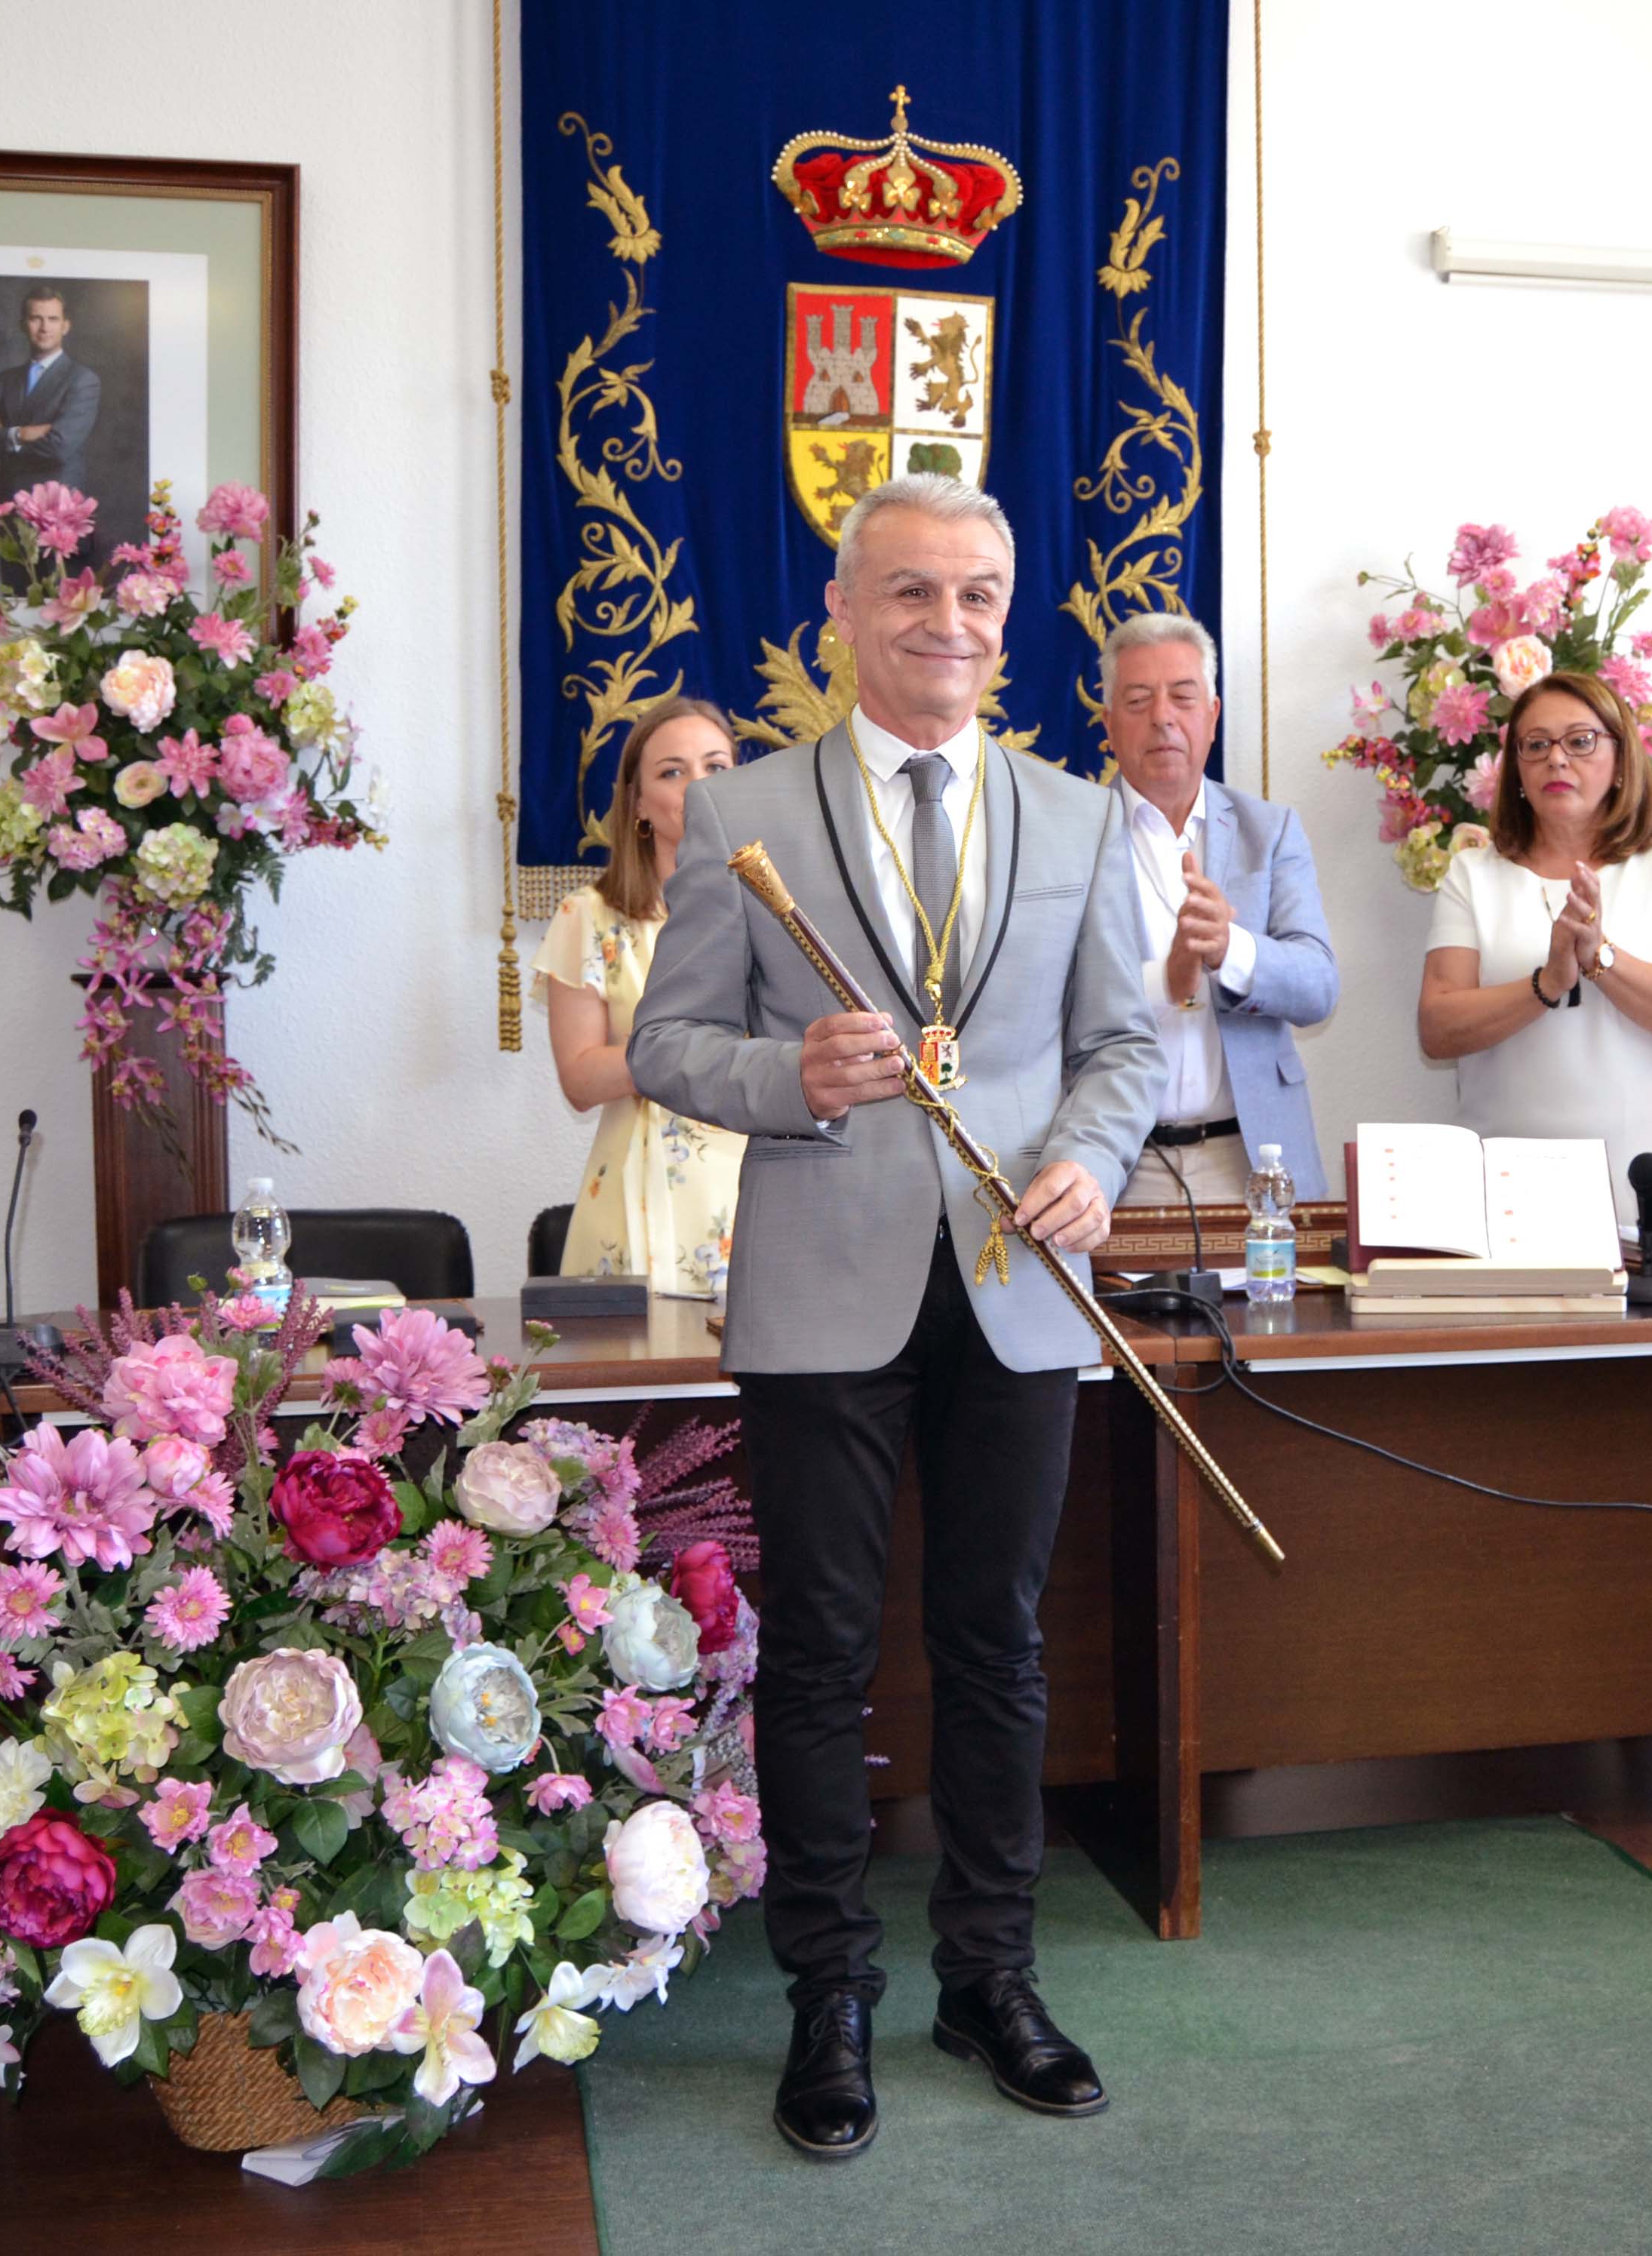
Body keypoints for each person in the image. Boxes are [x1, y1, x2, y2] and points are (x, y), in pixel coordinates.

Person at [628, 474, 1160, 2162]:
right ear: (843, 613)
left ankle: (990, 1978)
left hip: (1017, 1284)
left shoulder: (1080, 818)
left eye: (979, 595)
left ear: (1011, 618)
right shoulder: (740, 814)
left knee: (998, 1646)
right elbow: (663, 1048)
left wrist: (1084, 1158)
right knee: (822, 1656)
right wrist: (784, 1075)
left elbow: (1122, 1048)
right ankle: (826, 1996)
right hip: (820, 1287)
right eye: (912, 593)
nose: (948, 624)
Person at [1417, 669, 1652, 1222]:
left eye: (1580, 741)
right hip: (1504, 1188)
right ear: (1515, 770)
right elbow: (1437, 1028)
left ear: (1621, 758)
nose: (1557, 760)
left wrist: (1599, 956)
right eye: (1536, 746)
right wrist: (1547, 983)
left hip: (1647, 1182)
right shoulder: (1473, 873)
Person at [1099, 610, 1339, 1205]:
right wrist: (1168, 978)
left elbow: (1317, 987)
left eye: (1183, 697)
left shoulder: (1270, 830)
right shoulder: (1068, 836)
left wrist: (1230, 950)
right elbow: (1042, 1000)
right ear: (1107, 723)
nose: (1162, 717)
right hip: (1118, 1163)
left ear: (1212, 714)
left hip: (1253, 1157)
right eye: (1137, 700)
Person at [536, 695, 745, 1294]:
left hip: (759, 1198)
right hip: (636, 1207)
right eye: (672, 772)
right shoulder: (591, 915)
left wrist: (664, 1047)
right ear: (638, 804)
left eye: (716, 767)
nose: (698, 787)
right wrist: (700, 1046)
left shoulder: (781, 910)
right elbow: (580, 1079)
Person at [0, 287, 101, 527]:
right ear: (23, 325)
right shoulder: (4, 381)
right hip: (9, 512)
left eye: (53, 319)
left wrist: (4, 436)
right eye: (36, 318)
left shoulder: (82, 380)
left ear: (66, 326)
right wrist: (21, 434)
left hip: (58, 515)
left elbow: (59, 447)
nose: (45, 327)